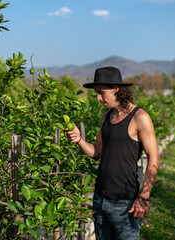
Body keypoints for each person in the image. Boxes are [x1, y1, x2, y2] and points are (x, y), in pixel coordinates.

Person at [66, 66, 159, 240]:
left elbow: (154, 158)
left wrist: (144, 197)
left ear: (116, 88)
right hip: (100, 199)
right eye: (96, 93)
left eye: (101, 92)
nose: (98, 98)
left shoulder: (140, 117)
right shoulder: (106, 118)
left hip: (124, 204)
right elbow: (97, 152)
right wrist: (79, 140)